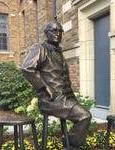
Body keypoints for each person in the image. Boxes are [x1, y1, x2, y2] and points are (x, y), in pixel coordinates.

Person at [21, 20, 92, 150]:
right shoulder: (40, 48)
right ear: (46, 33)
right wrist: (44, 86)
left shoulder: (58, 51)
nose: (58, 33)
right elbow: (27, 68)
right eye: (54, 30)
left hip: (66, 97)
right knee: (85, 116)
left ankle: (69, 143)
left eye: (60, 31)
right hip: (51, 99)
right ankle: (70, 145)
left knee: (84, 117)